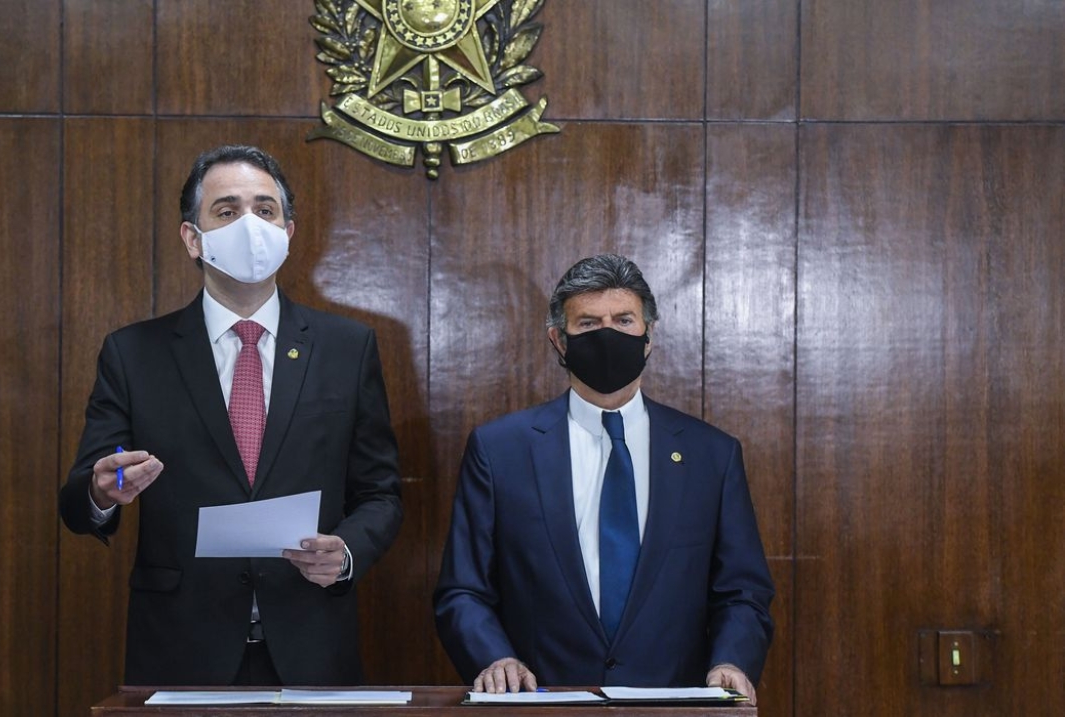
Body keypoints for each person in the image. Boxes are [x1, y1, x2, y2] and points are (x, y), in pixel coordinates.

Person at [59, 145, 403, 687]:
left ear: (288, 230)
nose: (250, 225)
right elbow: (83, 498)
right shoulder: (133, 353)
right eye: (226, 210)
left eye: (265, 210)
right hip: (180, 647)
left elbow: (380, 492)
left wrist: (347, 551)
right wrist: (104, 492)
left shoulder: (347, 347)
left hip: (311, 640)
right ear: (192, 238)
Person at [433, 254, 774, 703]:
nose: (609, 334)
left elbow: (742, 590)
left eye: (624, 320)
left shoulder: (711, 454)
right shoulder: (501, 450)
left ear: (648, 336)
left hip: (675, 705)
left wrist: (731, 661)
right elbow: (463, 588)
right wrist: (494, 659)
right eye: (589, 324)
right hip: (541, 702)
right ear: (559, 340)